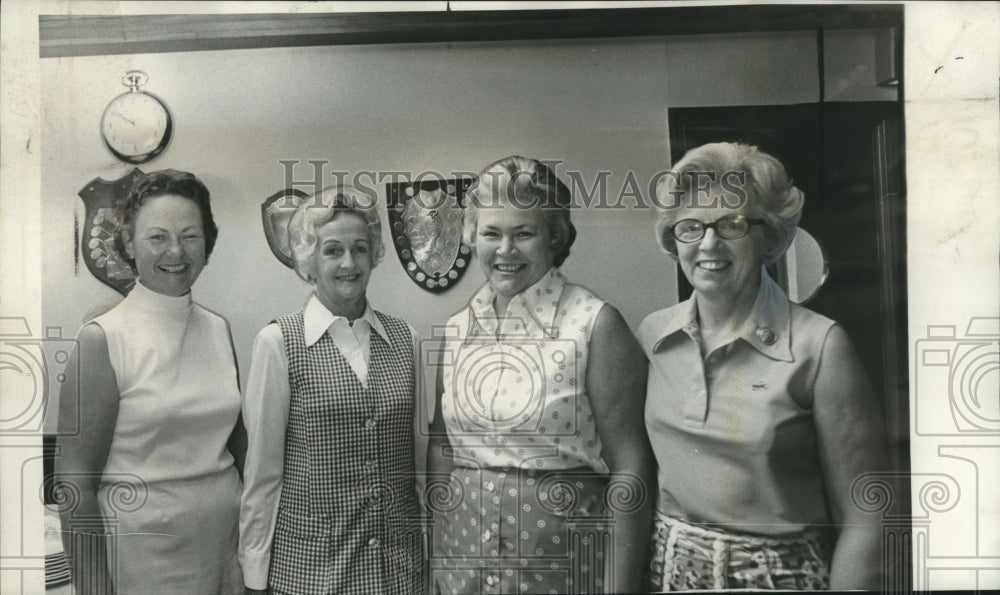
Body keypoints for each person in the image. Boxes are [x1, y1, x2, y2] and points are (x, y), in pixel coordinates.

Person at [638, 142, 889, 591]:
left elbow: (867, 517)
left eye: (732, 224)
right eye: (691, 226)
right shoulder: (652, 335)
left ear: (769, 235)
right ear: (673, 239)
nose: (709, 243)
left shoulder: (822, 346)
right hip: (665, 578)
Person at [427, 156, 654, 594]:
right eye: (491, 232)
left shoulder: (594, 324)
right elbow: (441, 445)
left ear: (554, 237)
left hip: (565, 564)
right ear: (472, 236)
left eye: (524, 233)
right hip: (465, 564)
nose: (505, 250)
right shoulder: (457, 327)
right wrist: (440, 556)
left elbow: (632, 466)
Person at [55, 169, 245, 593]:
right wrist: (92, 588)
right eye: (157, 236)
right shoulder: (102, 339)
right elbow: (74, 484)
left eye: (190, 235)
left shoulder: (218, 328)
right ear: (128, 243)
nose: (175, 251)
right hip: (144, 562)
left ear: (208, 243)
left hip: (223, 554)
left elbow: (237, 448)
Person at [239, 186, 425, 594]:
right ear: (308, 259)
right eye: (333, 250)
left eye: (360, 249)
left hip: (396, 567)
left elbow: (419, 462)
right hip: (313, 569)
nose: (349, 262)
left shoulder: (404, 338)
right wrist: (254, 572)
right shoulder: (278, 342)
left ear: (374, 254)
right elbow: (262, 472)